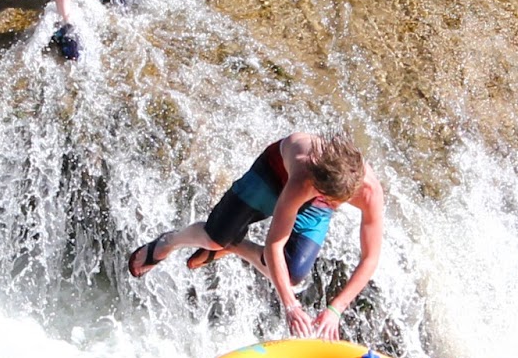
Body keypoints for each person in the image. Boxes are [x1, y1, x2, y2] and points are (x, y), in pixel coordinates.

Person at [126, 133, 385, 340]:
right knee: (215, 238)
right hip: (274, 174)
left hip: (322, 191)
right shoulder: (304, 176)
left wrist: (335, 309)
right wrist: (291, 306)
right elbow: (274, 243)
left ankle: (235, 245)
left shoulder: (369, 193)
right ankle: (170, 241)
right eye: (323, 197)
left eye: (332, 202)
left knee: (291, 274)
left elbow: (371, 257)